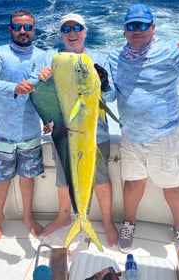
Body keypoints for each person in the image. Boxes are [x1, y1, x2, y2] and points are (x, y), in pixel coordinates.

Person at [102, 4, 179, 253]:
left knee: (173, 185)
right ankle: (129, 223)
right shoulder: (114, 57)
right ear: (124, 30)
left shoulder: (170, 51)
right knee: (132, 184)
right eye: (131, 25)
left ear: (153, 28)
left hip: (166, 134)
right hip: (131, 134)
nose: (137, 30)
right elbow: (110, 97)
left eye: (143, 25)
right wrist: (102, 85)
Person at [38, 13, 118, 246]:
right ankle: (64, 216)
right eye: (66, 29)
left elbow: (111, 95)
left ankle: (107, 221)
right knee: (64, 179)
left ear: (85, 31)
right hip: (64, 132)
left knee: (100, 178)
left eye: (76, 28)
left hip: (95, 133)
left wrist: (104, 85)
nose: (72, 33)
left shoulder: (100, 57)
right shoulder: (51, 59)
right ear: (61, 34)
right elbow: (40, 91)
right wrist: (41, 78)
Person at [0, 9, 45, 241]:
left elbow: (46, 93)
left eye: (27, 27)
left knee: (28, 177)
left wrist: (49, 118)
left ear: (34, 30)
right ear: (10, 29)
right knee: (3, 178)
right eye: (17, 27)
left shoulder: (43, 55)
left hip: (31, 131)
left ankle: (27, 217)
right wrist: (14, 88)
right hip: (4, 131)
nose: (23, 31)